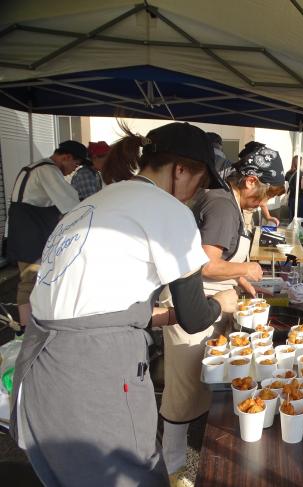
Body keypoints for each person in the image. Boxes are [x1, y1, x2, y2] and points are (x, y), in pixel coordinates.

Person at [10, 122, 223, 487]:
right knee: (129, 474)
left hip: (39, 367)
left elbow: (91, 299)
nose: (195, 195)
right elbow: (194, 318)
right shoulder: (168, 210)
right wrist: (221, 303)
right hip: (91, 371)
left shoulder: (97, 201)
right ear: (180, 170)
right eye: (199, 183)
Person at [161, 143, 285, 483]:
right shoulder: (221, 205)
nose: (264, 203)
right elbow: (204, 264)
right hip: (191, 308)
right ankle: (172, 469)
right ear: (249, 181)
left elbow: (220, 261)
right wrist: (248, 266)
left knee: (203, 387)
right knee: (183, 392)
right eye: (264, 194)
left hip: (213, 303)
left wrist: (242, 279)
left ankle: (194, 459)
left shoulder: (226, 202)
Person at [7, 140, 82, 328]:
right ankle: (27, 328)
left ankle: (30, 325)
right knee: (31, 280)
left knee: (31, 280)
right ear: (66, 157)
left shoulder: (31, 167)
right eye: (75, 164)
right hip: (32, 233)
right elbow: (72, 204)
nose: (74, 169)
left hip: (25, 231)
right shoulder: (48, 170)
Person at [287, 155, 303, 225]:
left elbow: (286, 187)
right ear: (300, 163)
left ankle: (291, 233)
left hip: (291, 198)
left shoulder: (287, 174)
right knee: (300, 217)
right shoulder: (302, 174)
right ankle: (299, 234)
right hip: (299, 198)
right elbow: (302, 187)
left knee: (291, 217)